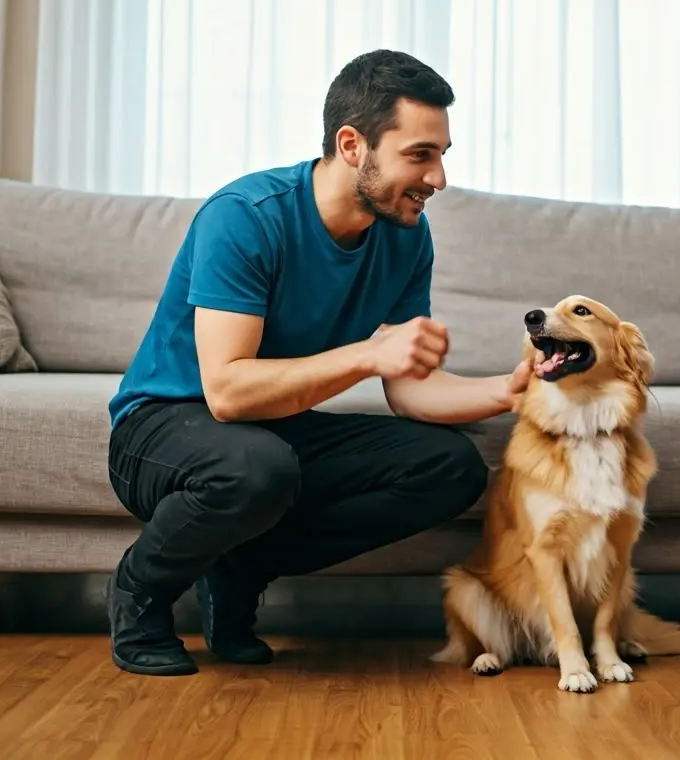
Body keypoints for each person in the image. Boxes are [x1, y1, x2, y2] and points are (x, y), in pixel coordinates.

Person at [105, 49, 535, 676]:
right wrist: (367, 354)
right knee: (258, 466)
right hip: (165, 426)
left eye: (442, 154)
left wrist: (511, 389)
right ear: (353, 144)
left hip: (268, 431)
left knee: (448, 467)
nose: (438, 178)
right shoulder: (247, 217)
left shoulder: (406, 234)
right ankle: (137, 594)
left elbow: (411, 392)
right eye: (420, 154)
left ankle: (241, 565)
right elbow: (225, 391)